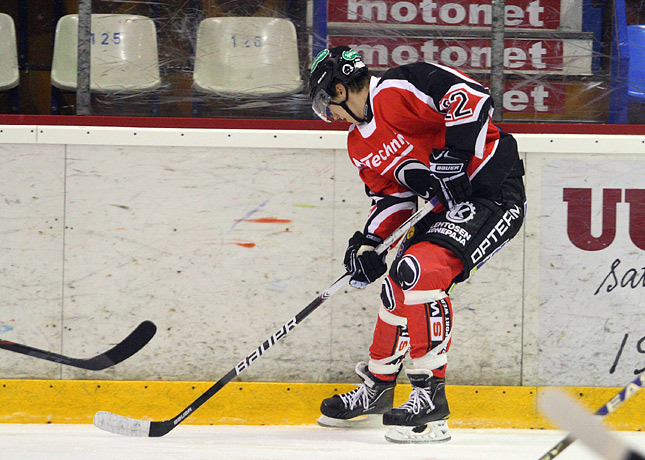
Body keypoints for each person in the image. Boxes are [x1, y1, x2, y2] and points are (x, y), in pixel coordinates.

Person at [307, 46, 526, 443]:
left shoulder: (397, 86)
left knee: (420, 271)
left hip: (494, 193)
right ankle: (378, 388)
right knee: (396, 286)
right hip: (446, 207)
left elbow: (470, 99)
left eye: (327, 103)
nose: (331, 115)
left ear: (339, 90)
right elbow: (393, 201)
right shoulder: (359, 145)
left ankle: (430, 401)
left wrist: (457, 155)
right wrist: (369, 243)